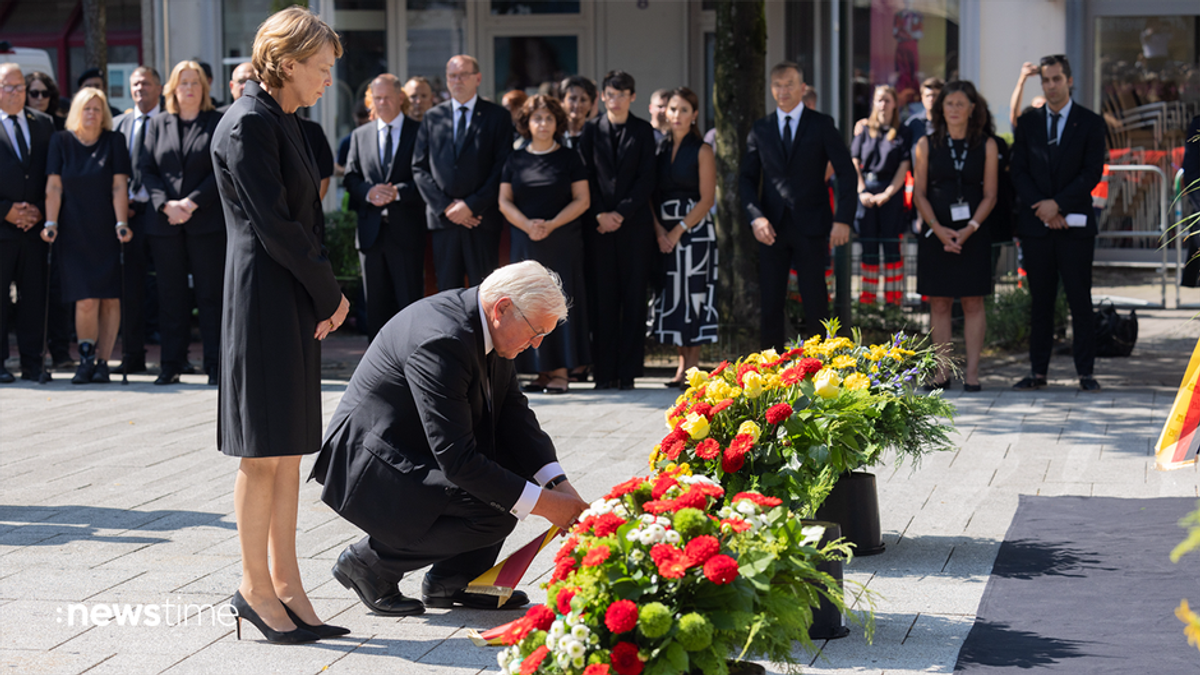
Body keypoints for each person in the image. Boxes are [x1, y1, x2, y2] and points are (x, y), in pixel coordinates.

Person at [309, 260, 590, 616]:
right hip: (371, 462)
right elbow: (458, 461)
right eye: (536, 332)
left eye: (544, 336)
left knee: (509, 477)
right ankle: (369, 564)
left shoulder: (486, 323)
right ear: (503, 307)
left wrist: (560, 486)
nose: (536, 345)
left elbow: (514, 416)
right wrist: (549, 506)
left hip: (411, 446)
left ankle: (454, 580)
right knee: (498, 507)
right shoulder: (442, 339)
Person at [210, 6, 351, 644]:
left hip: (289, 295)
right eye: (320, 69)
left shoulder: (286, 119)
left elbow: (304, 224)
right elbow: (278, 228)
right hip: (263, 298)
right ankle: (252, 586)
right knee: (262, 451)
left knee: (290, 450)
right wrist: (331, 294)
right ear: (287, 63)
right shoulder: (246, 124)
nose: (327, 80)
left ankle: (288, 586)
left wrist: (320, 295)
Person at [740, 62, 856, 350]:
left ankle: (821, 370)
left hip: (812, 224)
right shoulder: (761, 128)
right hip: (771, 227)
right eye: (778, 85)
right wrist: (756, 218)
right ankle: (772, 374)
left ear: (802, 88)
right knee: (770, 302)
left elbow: (847, 172)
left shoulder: (821, 124)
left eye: (789, 84)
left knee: (816, 301)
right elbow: (746, 179)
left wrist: (843, 219)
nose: (783, 90)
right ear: (771, 89)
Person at [1010, 55, 1106, 393]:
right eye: (1046, 80)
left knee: (1080, 300)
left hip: (1075, 226)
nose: (1051, 86)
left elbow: (1091, 172)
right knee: (1041, 302)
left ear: (1069, 80)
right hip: (1037, 226)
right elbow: (1018, 170)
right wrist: (1043, 208)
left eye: (1056, 79)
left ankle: (1085, 373)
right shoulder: (1029, 122)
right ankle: (1038, 372)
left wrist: (1058, 204)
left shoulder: (1091, 123)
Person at [137, 61, 225, 386]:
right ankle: (171, 364)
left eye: (195, 82)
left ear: (204, 88)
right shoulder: (158, 123)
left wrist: (191, 202)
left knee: (210, 296)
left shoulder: (216, 122)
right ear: (172, 88)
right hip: (165, 224)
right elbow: (146, 169)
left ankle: (215, 364)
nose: (189, 88)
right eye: (183, 82)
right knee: (170, 296)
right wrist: (166, 205)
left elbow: (222, 169)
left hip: (205, 221)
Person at [499, 95, 590, 394]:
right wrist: (527, 225)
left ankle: (561, 371)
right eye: (537, 118)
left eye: (549, 118)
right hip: (526, 240)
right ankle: (539, 370)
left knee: (559, 301)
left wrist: (551, 224)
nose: (543, 123)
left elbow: (582, 199)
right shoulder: (515, 159)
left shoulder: (569, 157)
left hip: (561, 240)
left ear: (557, 123)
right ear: (527, 123)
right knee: (527, 302)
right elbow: (504, 201)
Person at [40, 87, 132, 384]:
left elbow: (119, 186)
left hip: (107, 229)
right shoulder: (61, 141)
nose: (91, 113)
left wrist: (121, 223)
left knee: (109, 299)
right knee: (86, 300)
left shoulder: (114, 140)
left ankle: (104, 362)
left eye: (97, 108)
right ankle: (85, 359)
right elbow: (54, 186)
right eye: (86, 108)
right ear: (77, 111)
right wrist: (51, 221)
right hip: (73, 230)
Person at [912, 80, 998, 392]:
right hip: (937, 233)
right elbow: (919, 194)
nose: (954, 109)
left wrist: (969, 228)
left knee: (974, 302)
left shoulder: (986, 144)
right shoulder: (926, 144)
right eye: (949, 104)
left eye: (961, 104)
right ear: (940, 108)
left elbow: (990, 194)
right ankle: (942, 372)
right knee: (940, 302)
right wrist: (937, 229)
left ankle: (972, 373)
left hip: (972, 232)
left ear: (973, 108)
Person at [578, 70, 657, 391]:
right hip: (597, 228)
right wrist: (599, 213)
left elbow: (646, 179)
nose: (616, 100)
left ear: (632, 97)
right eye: (611, 94)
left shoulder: (643, 131)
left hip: (633, 227)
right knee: (602, 300)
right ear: (603, 96)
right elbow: (584, 175)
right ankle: (603, 372)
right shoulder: (589, 130)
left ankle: (628, 373)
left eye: (623, 94)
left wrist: (620, 213)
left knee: (634, 299)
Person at [413, 55, 513, 291]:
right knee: (447, 293)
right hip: (445, 222)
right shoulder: (432, 117)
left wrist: (471, 206)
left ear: (477, 78)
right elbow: (419, 167)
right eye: (452, 76)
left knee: (485, 292)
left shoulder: (497, 116)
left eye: (463, 75)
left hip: (482, 219)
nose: (457, 80)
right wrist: (448, 208)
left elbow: (503, 166)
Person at [344, 74, 425, 340]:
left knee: (409, 303)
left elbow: (428, 178)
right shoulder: (360, 135)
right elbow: (350, 177)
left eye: (388, 97)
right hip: (371, 234)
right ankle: (378, 370)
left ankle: (410, 364)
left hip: (407, 231)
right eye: (377, 98)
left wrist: (397, 193)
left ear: (400, 98)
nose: (383, 103)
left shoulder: (420, 132)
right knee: (375, 307)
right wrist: (368, 192)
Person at [651, 87, 717, 387]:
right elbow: (650, 195)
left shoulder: (702, 150)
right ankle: (681, 366)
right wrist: (660, 231)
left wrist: (677, 231)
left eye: (683, 110)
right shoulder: (659, 149)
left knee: (695, 295)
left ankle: (693, 369)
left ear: (694, 115)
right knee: (673, 296)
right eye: (672, 109)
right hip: (664, 232)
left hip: (695, 232)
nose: (676, 115)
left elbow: (707, 199)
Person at [0, 63, 54, 383]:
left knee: (34, 298)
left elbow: (53, 174)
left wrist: (38, 210)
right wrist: (6, 210)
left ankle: (33, 362)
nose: (16, 93)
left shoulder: (44, 124)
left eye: (20, 86)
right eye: (8, 87)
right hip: (2, 227)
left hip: (34, 229)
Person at [111, 66, 163, 375]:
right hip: (127, 217)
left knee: (170, 288)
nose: (139, 89)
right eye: (134, 84)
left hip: (160, 216)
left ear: (159, 88)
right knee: (129, 289)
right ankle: (132, 355)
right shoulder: (118, 124)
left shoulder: (168, 123)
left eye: (145, 83)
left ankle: (173, 357)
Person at [850, 85, 912, 306]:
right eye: (879, 100)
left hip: (890, 194)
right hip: (866, 193)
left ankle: (893, 302)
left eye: (887, 100)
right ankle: (868, 303)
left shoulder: (903, 132)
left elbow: (904, 166)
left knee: (891, 247)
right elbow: (855, 161)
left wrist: (887, 193)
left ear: (895, 103)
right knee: (868, 248)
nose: (883, 104)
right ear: (873, 103)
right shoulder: (864, 130)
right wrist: (861, 190)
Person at [558, 75, 596, 151]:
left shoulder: (597, 135)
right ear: (562, 101)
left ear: (591, 104)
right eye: (572, 99)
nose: (577, 105)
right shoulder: (553, 135)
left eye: (583, 100)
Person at [335, 101, 371, 177]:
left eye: (367, 125)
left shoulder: (381, 139)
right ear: (354, 117)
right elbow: (337, 168)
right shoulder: (348, 141)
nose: (363, 129)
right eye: (360, 124)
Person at [1009, 62, 1047, 130]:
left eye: (1044, 104)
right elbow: (1014, 112)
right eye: (1038, 104)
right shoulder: (1026, 127)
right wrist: (1021, 80)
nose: (1041, 106)